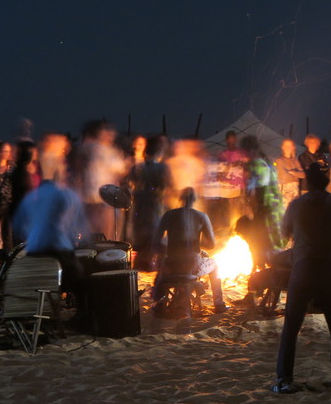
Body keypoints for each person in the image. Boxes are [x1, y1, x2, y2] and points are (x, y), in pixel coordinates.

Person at [272, 163, 331, 394]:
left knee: (291, 326)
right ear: (326, 181)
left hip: (303, 268)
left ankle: (283, 380)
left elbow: (285, 233)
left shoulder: (296, 205)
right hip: (327, 268)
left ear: (306, 181)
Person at [13, 133, 90, 312]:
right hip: (58, 250)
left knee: (44, 282)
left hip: (34, 251)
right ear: (60, 175)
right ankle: (82, 316)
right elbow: (80, 228)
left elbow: (18, 227)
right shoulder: (67, 195)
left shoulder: (31, 197)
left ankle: (44, 311)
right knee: (81, 282)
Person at [151, 188, 225, 314]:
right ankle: (219, 304)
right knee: (215, 265)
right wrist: (195, 242)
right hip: (192, 266)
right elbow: (212, 244)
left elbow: (156, 242)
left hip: (171, 266)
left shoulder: (168, 215)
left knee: (163, 262)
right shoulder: (201, 216)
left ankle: (161, 302)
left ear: (180, 199)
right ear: (194, 200)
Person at [73, 120, 128, 240]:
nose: (110, 136)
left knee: (92, 234)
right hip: (100, 199)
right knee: (104, 234)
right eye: (107, 132)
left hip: (94, 199)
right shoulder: (101, 149)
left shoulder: (87, 148)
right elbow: (121, 169)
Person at [132, 135, 170, 271]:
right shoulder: (161, 168)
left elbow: (131, 184)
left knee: (145, 243)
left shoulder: (139, 167)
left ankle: (139, 269)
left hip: (141, 206)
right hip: (154, 206)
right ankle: (160, 273)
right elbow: (166, 186)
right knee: (159, 241)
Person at [275, 139, 306, 207]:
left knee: (294, 212)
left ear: (293, 147)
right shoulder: (279, 161)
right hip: (285, 191)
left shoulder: (295, 161)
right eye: (286, 146)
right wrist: (297, 173)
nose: (288, 148)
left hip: (295, 190)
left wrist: (293, 172)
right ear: (282, 147)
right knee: (285, 213)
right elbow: (284, 176)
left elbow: (303, 175)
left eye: (290, 146)